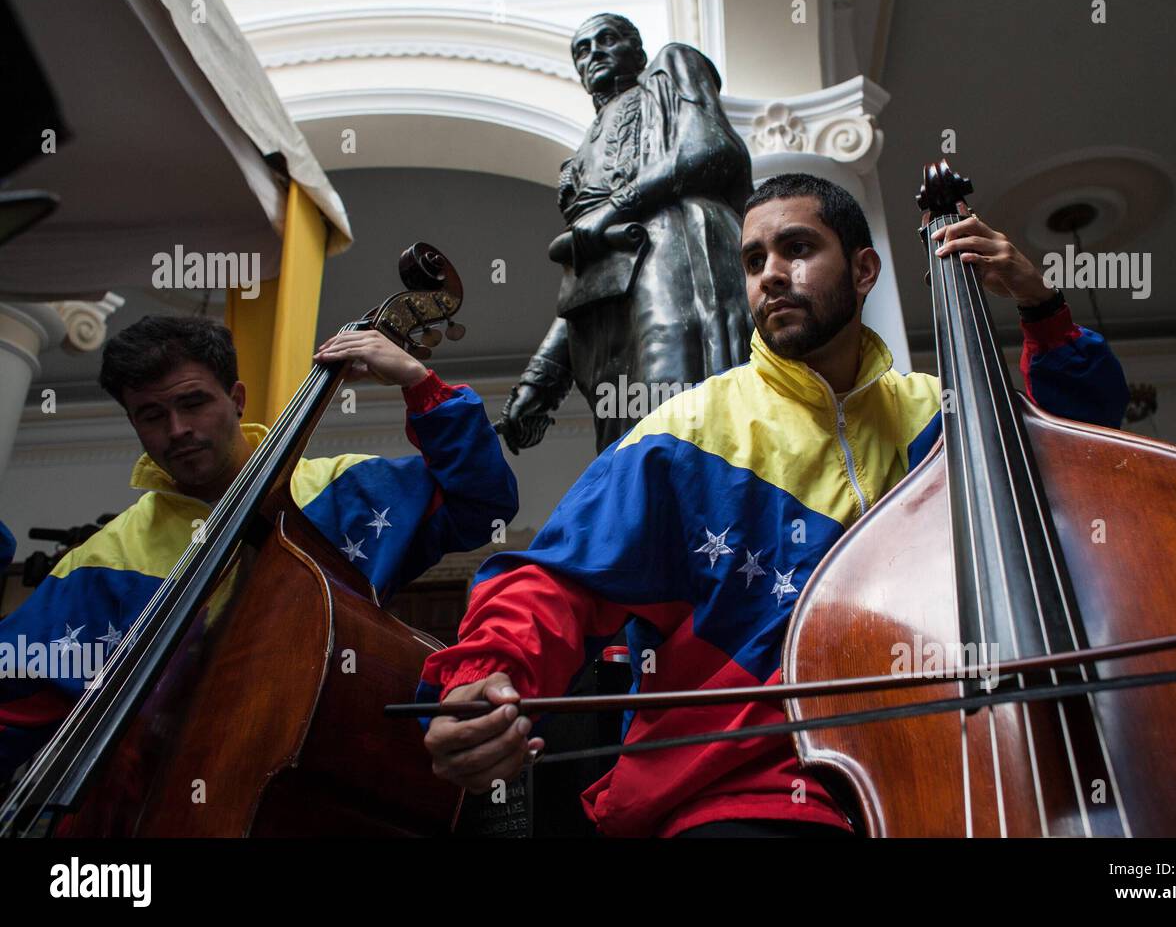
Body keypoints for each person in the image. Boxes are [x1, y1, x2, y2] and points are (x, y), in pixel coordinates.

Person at [420, 173, 1129, 838]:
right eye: (754, 259)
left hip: (949, 762)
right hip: (748, 786)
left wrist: (1043, 309)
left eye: (797, 248)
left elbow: (1080, 459)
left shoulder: (940, 413)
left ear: (862, 271)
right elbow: (556, 579)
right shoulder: (691, 428)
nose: (769, 276)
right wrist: (488, 676)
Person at [0, 316, 518, 781]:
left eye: (193, 402)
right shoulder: (100, 562)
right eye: (151, 415)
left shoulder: (340, 489)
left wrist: (417, 383)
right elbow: (13, 702)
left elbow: (484, 504)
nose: (178, 429)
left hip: (334, 780)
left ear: (237, 398)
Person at [496, 12, 754, 453]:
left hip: (676, 261)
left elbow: (711, 147)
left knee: (678, 413)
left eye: (607, 39)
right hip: (606, 330)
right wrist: (541, 380)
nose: (594, 53)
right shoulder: (579, 160)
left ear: (635, 50)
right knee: (627, 451)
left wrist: (617, 206)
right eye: (582, 50)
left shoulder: (668, 69)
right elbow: (585, 279)